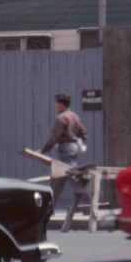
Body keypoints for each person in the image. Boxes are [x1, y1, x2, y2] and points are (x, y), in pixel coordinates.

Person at [41, 94, 88, 229]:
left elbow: (54, 138)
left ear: (61, 104)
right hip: (73, 149)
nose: (55, 106)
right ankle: (49, 210)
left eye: (56, 103)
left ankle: (89, 206)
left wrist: (43, 150)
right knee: (59, 180)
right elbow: (84, 134)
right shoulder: (75, 116)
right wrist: (81, 144)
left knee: (70, 178)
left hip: (64, 149)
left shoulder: (61, 118)